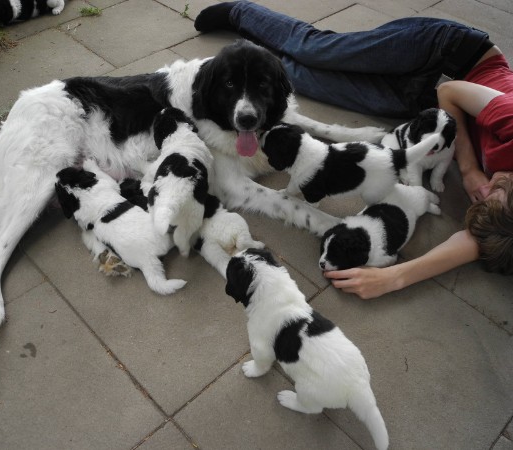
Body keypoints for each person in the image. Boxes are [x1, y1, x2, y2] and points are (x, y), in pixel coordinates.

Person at [194, 2, 513, 297]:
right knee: (315, 49)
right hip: (450, 56)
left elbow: (476, 241)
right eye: (494, 190)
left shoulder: (503, 215)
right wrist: (470, 170)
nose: (484, 192)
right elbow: (451, 92)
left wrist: (394, 278)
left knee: (300, 79)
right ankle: (241, 12)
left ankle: (252, 63)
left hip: (421, 100)